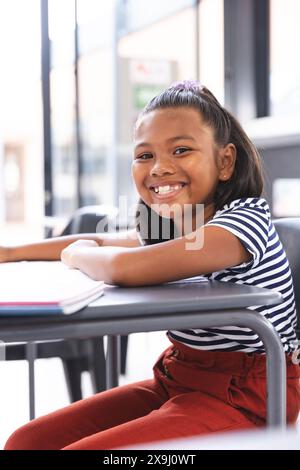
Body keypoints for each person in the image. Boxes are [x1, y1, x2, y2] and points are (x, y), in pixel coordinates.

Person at [3, 80, 300, 450]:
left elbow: (122, 266)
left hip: (248, 397)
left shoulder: (243, 221)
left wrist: (76, 254)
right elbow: (104, 242)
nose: (159, 168)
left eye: (181, 149)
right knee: (27, 441)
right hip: (180, 379)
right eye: (144, 156)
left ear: (225, 161)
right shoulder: (176, 221)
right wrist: (11, 252)